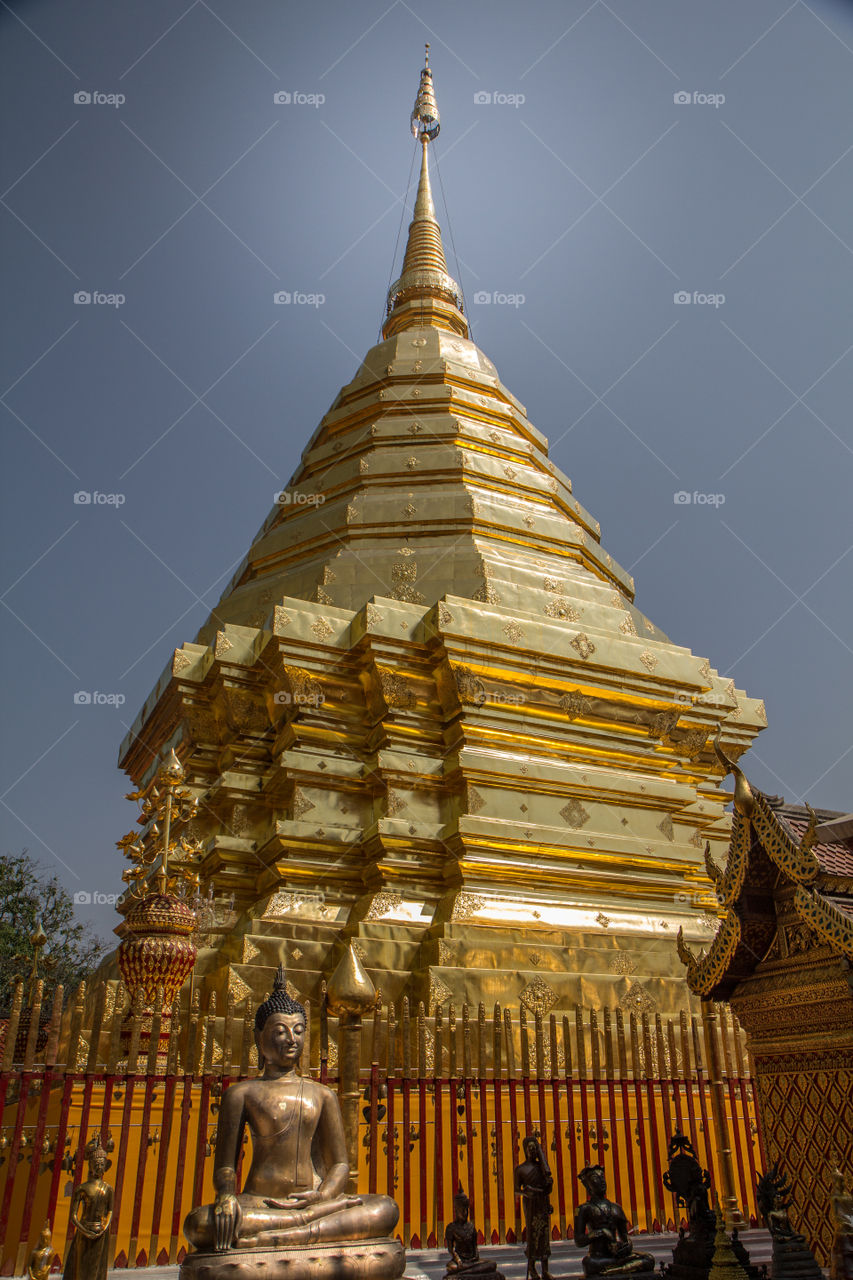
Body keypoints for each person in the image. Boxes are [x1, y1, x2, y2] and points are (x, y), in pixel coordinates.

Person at [184, 972, 398, 1252]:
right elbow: (225, 1165)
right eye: (280, 1031)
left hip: (315, 1203)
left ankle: (287, 1235)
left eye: (298, 1031)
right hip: (261, 1203)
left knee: (384, 1208)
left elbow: (340, 1165)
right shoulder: (241, 1094)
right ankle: (301, 1229)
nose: (291, 1039)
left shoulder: (321, 1094)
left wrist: (322, 1196)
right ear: (258, 1037)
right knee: (199, 1224)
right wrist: (225, 1195)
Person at [574, 1165, 654, 1276]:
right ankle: (622, 1268)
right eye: (596, 1179)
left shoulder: (616, 1207)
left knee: (649, 1259)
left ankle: (617, 1269)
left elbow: (624, 1235)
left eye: (602, 1177)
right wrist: (600, 1233)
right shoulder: (584, 1209)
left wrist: (627, 1245)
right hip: (598, 1256)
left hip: (616, 1256)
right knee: (589, 1263)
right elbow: (579, 1240)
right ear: (588, 1185)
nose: (601, 1181)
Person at [62, 1143, 113, 1280]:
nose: (99, 1167)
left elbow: (110, 1211)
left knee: (96, 1267)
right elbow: (73, 1216)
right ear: (90, 1165)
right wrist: (84, 1230)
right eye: (96, 1163)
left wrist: (104, 1228)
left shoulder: (107, 1189)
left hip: (100, 1231)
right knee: (81, 1265)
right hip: (85, 1229)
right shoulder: (82, 1188)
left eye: (102, 1164)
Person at [514, 1136, 554, 1280]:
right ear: (525, 1150)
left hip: (542, 1202)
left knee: (544, 1235)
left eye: (534, 1148)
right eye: (529, 1148)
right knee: (532, 1234)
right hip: (530, 1203)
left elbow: (546, 1188)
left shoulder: (541, 1168)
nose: (532, 1150)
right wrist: (526, 1192)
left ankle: (545, 1269)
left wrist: (549, 1187)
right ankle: (532, 1268)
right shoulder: (520, 1169)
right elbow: (516, 1190)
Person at [444, 1187, 501, 1278]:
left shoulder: (471, 1226)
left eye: (466, 1210)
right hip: (460, 1261)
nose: (465, 1212)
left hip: (472, 1261)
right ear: (456, 1210)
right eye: (462, 1210)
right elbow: (451, 1249)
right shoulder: (451, 1228)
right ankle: (467, 1271)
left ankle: (466, 1272)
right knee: (451, 1267)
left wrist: (475, 1257)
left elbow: (475, 1247)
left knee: (492, 1264)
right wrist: (458, 1260)